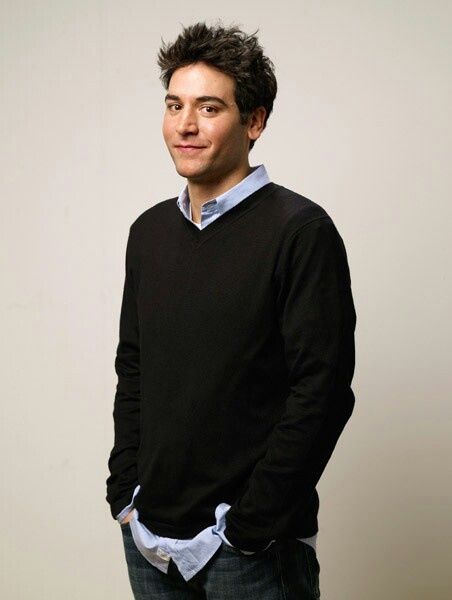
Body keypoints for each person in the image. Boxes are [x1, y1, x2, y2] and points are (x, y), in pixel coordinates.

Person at [105, 20, 356, 600]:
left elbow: (321, 393)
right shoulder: (148, 233)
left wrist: (249, 527)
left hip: (246, 552)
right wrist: (126, 494)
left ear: (255, 121)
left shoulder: (301, 232)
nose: (185, 125)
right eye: (175, 105)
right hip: (150, 540)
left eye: (209, 107)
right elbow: (134, 368)